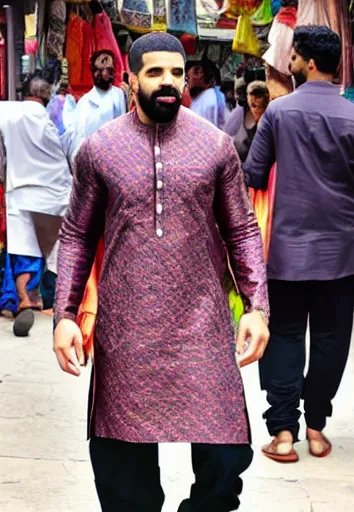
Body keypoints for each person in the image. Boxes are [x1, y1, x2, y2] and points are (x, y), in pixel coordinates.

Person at [53, 32, 270, 512]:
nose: (168, 82)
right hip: (127, 330)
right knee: (122, 474)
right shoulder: (100, 150)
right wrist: (65, 313)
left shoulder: (215, 147)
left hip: (202, 325)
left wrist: (257, 307)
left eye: (176, 72)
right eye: (154, 72)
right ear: (132, 79)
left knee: (226, 461)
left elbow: (243, 232)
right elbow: (76, 236)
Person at [244, 25, 354, 463]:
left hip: (286, 250)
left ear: (309, 62)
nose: (287, 65)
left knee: (285, 335)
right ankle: (316, 427)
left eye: (292, 58)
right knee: (332, 338)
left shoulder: (277, 113)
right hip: (341, 250)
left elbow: (253, 177)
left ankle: (284, 433)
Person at [0, 72, 72, 336]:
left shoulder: (8, 113)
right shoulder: (51, 121)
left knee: (23, 248)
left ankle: (24, 299)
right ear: (47, 96)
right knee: (52, 250)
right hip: (54, 193)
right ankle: (46, 298)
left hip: (19, 190)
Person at [62, 49, 126, 160]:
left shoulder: (118, 94)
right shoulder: (85, 102)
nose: (105, 74)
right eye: (101, 70)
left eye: (109, 70)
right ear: (94, 72)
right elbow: (78, 138)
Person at [229, 81, 270, 163]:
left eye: (255, 106)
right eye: (251, 105)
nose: (253, 110)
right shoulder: (242, 112)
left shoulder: (269, 121)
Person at [186, 60, 226, 129]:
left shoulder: (210, 98)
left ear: (200, 74)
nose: (187, 82)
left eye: (188, 78)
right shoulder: (201, 97)